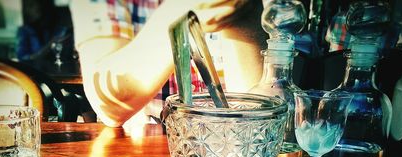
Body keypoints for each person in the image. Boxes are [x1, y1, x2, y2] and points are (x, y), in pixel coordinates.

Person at [69, 0, 266, 127]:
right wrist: (181, 10)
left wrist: (239, 14)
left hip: (227, 152)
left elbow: (256, 114)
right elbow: (110, 107)